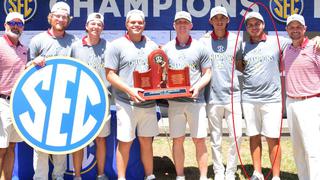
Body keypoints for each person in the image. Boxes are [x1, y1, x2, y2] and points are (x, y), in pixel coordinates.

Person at [105, 9, 158, 180]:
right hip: (126, 103)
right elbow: (110, 74)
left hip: (148, 103)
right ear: (126, 24)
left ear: (144, 25)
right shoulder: (116, 45)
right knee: (125, 143)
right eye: (133, 22)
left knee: (146, 142)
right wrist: (130, 90)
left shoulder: (152, 46)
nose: (136, 25)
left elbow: (158, 71)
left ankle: (149, 175)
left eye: (140, 22)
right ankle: (121, 178)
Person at [238, 12, 291, 180]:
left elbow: (299, 44)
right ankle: (257, 172)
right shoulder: (242, 46)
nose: (254, 27)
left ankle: (275, 176)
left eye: (257, 23)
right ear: (247, 28)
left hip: (272, 100)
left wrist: (316, 40)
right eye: (250, 24)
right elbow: (240, 66)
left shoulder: (278, 41)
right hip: (249, 99)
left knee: (273, 138)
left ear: (263, 25)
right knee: (253, 136)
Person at [28, 2, 77, 180]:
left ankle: (58, 176)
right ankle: (40, 177)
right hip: (42, 99)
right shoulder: (37, 40)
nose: (61, 19)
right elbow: (27, 69)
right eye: (57, 16)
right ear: (51, 17)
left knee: (61, 141)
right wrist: (34, 62)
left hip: (64, 99)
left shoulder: (74, 41)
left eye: (64, 17)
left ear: (68, 20)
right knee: (40, 144)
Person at [162, 11, 211, 180]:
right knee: (178, 140)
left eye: (185, 22)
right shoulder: (166, 48)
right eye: (179, 22)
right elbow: (161, 75)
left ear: (191, 25)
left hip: (195, 101)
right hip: (175, 103)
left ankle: (203, 176)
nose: (182, 25)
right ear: (174, 25)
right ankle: (180, 175)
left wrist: (197, 87)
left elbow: (207, 73)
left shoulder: (200, 47)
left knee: (199, 140)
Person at [199, 6, 242, 180]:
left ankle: (231, 170)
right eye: (215, 18)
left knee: (237, 136)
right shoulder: (203, 42)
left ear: (227, 20)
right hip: (213, 96)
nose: (219, 21)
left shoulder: (237, 40)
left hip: (233, 96)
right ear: (210, 21)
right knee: (215, 138)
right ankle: (218, 170)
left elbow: (242, 62)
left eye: (222, 18)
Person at [70, 12, 110, 180]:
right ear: (86, 26)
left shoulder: (109, 46)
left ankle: (100, 174)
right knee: (79, 140)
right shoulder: (75, 47)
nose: (95, 27)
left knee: (101, 140)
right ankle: (77, 176)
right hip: (80, 100)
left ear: (103, 28)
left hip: (102, 100)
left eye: (99, 24)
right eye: (92, 24)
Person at [283, 14, 320, 180]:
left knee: (312, 149)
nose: (295, 30)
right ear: (287, 30)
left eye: (298, 27)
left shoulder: (316, 47)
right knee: (297, 148)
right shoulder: (286, 49)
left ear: (305, 29)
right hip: (291, 102)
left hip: (310, 102)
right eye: (291, 27)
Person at [0, 12, 27, 180]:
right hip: (1, 102)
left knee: (11, 147)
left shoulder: (24, 49)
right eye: (12, 22)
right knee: (0, 148)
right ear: (5, 24)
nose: (16, 26)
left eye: (20, 23)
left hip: (17, 104)